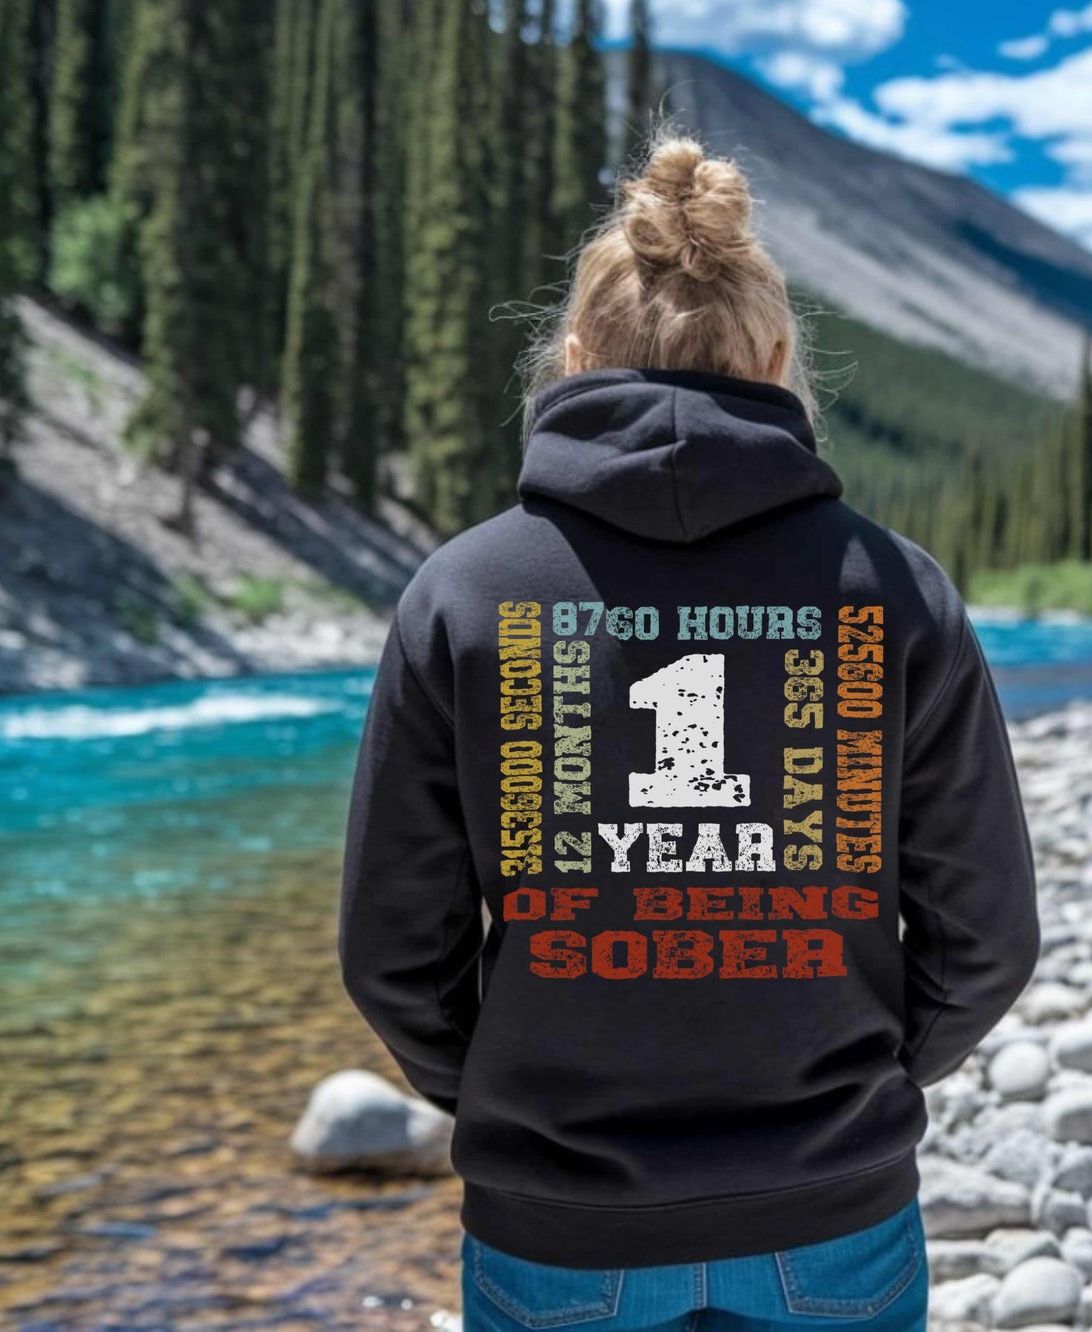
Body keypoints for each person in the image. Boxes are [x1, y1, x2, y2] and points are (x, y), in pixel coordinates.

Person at [339, 133, 1039, 1332]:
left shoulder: (461, 592)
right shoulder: (896, 589)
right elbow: (987, 935)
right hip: (834, 1218)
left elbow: (391, 950)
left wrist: (510, 1100)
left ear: (571, 359)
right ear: (774, 360)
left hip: (554, 1232)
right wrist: (857, 1086)